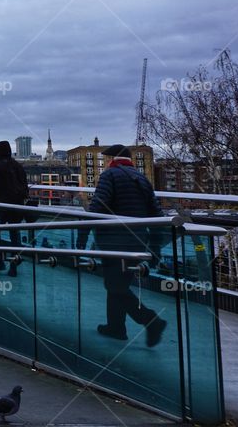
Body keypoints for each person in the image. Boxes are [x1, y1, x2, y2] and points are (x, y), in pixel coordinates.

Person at [84, 144, 168, 347]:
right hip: (138, 241)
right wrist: (155, 247)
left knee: (114, 285)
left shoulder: (110, 176)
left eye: (106, 159)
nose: (104, 163)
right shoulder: (141, 178)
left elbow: (99, 206)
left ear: (113, 159)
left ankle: (151, 320)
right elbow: (156, 213)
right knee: (118, 284)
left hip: (114, 240)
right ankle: (116, 328)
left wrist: (86, 212)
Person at [0, 140, 29, 277]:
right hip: (17, 205)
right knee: (15, 235)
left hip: (1, 204)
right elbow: (24, 184)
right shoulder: (18, 166)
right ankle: (14, 266)